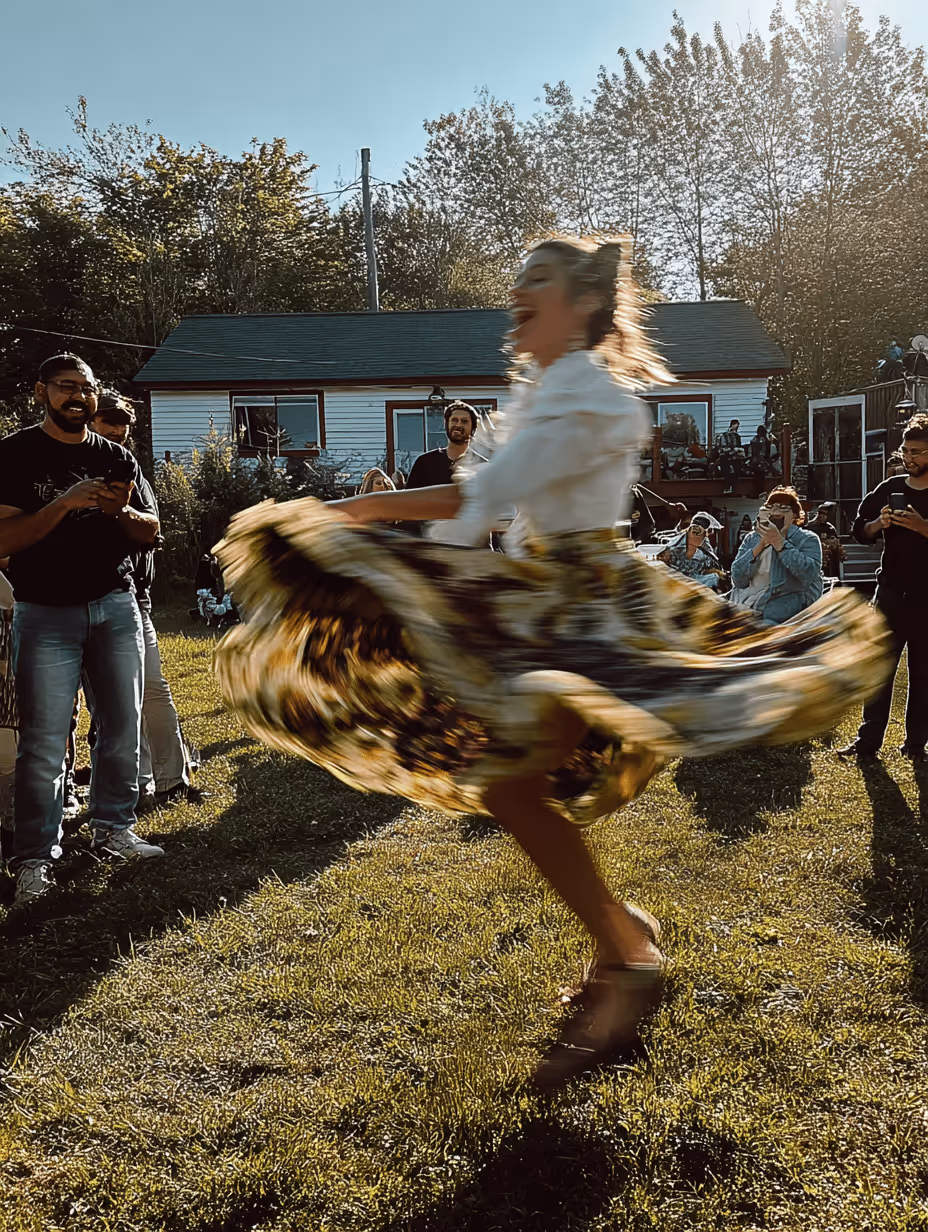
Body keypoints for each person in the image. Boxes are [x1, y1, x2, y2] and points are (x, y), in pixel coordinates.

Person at [213, 236, 888, 1088]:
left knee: (513, 783)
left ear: (582, 304)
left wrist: (371, 517)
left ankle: (627, 952)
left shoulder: (590, 393)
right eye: (519, 278)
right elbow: (480, 489)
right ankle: (623, 939)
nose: (517, 292)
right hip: (543, 594)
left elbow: (486, 494)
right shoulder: (540, 394)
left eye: (538, 280)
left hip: (584, 602)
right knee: (516, 783)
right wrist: (356, 512)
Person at [0, 355, 165, 910]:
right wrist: (63, 502)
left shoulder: (116, 456)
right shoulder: (16, 453)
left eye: (86, 388)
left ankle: (113, 829)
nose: (77, 396)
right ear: (42, 391)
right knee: (44, 743)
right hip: (44, 612)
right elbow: (7, 537)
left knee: (122, 725)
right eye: (66, 387)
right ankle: (35, 860)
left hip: (114, 605)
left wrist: (122, 512)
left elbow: (151, 530)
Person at [90, 391, 205, 806]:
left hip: (135, 598)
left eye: (123, 424)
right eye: (109, 422)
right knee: (114, 699)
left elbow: (152, 533)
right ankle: (132, 785)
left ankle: (174, 780)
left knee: (153, 688)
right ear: (90, 421)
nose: (118, 431)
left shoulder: (131, 471)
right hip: (78, 603)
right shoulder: (69, 471)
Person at [837, 413, 928, 763]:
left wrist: (922, 527)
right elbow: (858, 529)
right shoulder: (889, 489)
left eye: (918, 452)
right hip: (890, 596)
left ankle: (916, 746)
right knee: (878, 672)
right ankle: (867, 743)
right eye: (906, 450)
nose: (909, 457)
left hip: (927, 601)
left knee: (922, 677)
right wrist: (879, 523)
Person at [728, 488, 823, 623]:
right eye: (770, 507)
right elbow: (737, 578)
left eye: (783, 508)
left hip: (784, 602)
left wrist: (779, 543)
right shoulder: (752, 538)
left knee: (766, 627)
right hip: (746, 599)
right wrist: (760, 546)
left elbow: (809, 574)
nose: (775, 511)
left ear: (795, 515)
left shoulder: (807, 538)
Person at [658, 512, 724, 588]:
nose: (699, 538)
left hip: (694, 582)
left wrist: (716, 572)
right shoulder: (673, 546)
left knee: (713, 578)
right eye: (694, 533)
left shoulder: (704, 548)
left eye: (702, 535)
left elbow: (707, 566)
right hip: (674, 583)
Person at [807, 502, 844, 579]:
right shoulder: (809, 527)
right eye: (821, 514)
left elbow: (837, 543)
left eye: (826, 515)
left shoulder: (830, 528)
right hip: (816, 557)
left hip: (831, 559)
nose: (823, 517)